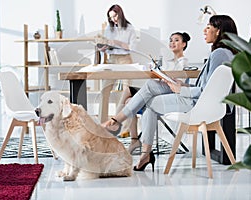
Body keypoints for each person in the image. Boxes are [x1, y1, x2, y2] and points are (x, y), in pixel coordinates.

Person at [102, 15, 238, 171]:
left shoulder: (219, 54)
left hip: (196, 105)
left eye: (208, 27)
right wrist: (180, 85)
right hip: (199, 101)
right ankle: (121, 124)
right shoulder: (226, 53)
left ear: (219, 30)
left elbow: (206, 92)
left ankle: (136, 142)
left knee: (149, 102)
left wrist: (182, 90)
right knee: (152, 85)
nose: (204, 30)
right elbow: (209, 87)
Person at [117, 32, 191, 155]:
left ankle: (120, 123)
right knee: (128, 99)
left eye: (176, 40)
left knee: (129, 97)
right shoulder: (168, 62)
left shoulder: (183, 63)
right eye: (171, 40)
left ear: (184, 44)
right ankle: (133, 138)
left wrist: (163, 76)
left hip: (166, 97)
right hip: (159, 92)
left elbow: (178, 84)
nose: (172, 42)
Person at [97, 4, 137, 123]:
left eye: (115, 16)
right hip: (112, 59)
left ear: (120, 14)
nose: (113, 19)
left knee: (126, 93)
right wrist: (103, 47)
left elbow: (132, 48)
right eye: (110, 17)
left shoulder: (129, 28)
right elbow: (106, 43)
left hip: (125, 60)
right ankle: (102, 123)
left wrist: (116, 42)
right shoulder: (109, 28)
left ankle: (123, 125)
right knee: (104, 90)